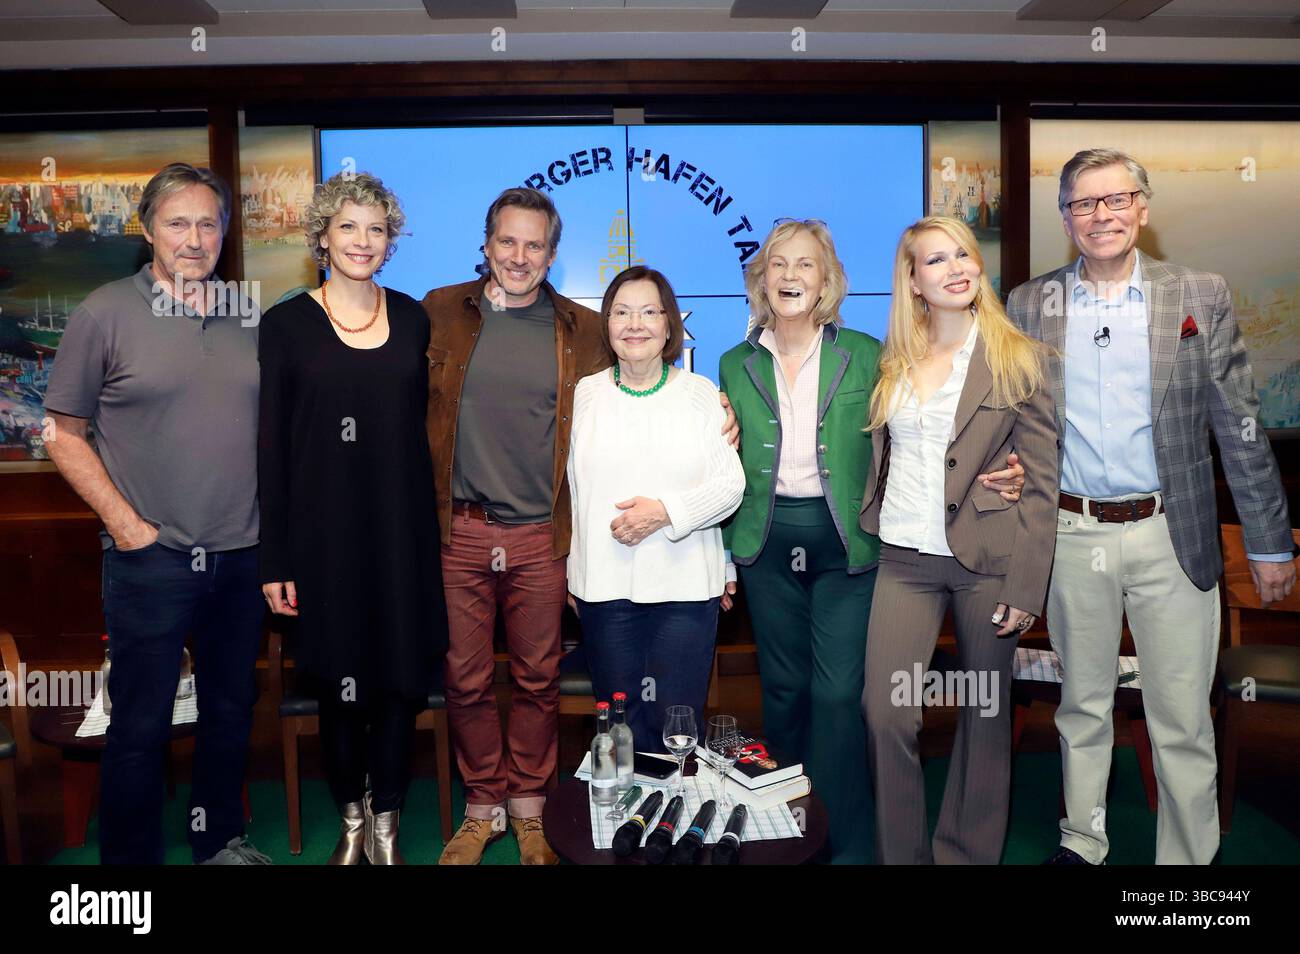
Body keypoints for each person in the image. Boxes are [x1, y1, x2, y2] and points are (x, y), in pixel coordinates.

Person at [424, 188, 736, 865]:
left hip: (540, 535)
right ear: (485, 244)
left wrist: (717, 411)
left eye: (534, 245)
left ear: (553, 255)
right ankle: (483, 809)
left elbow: (654, 402)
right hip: (462, 529)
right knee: (467, 678)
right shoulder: (440, 313)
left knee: (539, 677)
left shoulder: (580, 329)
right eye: (507, 241)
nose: (519, 256)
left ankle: (532, 812)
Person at [1006, 148, 1296, 865]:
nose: (1099, 215)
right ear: (1065, 216)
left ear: (1143, 207)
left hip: (1175, 532)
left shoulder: (1198, 293)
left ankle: (1188, 864)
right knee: (1081, 708)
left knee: (1180, 717)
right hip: (1072, 534)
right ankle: (1084, 842)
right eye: (1083, 203)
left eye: (1115, 199)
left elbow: (1239, 420)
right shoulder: (1028, 302)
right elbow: (1013, 418)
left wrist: (1268, 544)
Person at [43, 163, 269, 865]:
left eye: (208, 223)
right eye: (178, 222)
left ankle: (217, 841)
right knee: (138, 727)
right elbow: (60, 432)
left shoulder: (247, 313)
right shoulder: (104, 312)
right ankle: (129, 875)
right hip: (150, 560)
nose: (194, 238)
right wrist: (125, 524)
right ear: (147, 230)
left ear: (225, 233)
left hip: (242, 555)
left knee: (230, 714)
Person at [259, 172, 447, 865]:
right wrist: (274, 559)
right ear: (322, 237)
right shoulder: (285, 326)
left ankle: (389, 823)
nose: (362, 240)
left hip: (401, 532)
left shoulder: (414, 318)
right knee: (340, 681)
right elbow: (271, 447)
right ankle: (350, 821)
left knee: (399, 680)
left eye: (376, 229)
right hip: (321, 537)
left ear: (390, 242)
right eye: (348, 227)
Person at [860, 215, 1058, 864]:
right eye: (936, 261)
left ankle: (966, 856)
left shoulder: (1018, 358)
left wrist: (1028, 585)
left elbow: (1041, 482)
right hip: (904, 560)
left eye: (963, 255)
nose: (955, 269)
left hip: (987, 564)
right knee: (887, 712)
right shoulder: (895, 358)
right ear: (913, 280)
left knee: (983, 714)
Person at [567, 266, 745, 753]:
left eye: (649, 311)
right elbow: (572, 493)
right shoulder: (584, 394)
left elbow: (731, 485)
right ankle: (621, 826)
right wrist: (573, 575)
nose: (635, 324)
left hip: (684, 591)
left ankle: (671, 824)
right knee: (619, 729)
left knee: (676, 727)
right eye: (621, 312)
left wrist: (664, 512)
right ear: (606, 324)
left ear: (671, 325)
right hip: (605, 590)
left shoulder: (700, 394)